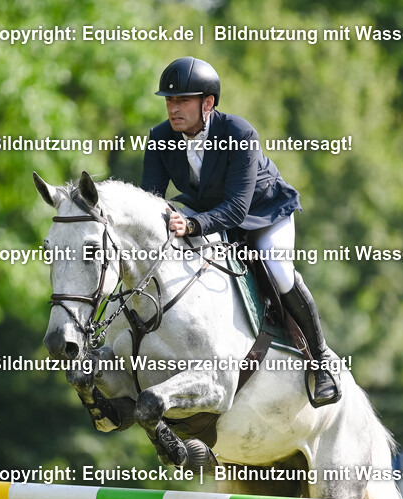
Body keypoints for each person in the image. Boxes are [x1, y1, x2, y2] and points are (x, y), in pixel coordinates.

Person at [141, 56, 342, 407]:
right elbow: (150, 200)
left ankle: (321, 360)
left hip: (262, 212)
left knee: (278, 270)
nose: (173, 108)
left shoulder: (238, 133)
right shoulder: (160, 138)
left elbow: (236, 208)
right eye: (170, 100)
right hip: (206, 210)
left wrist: (192, 225)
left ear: (208, 103)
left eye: (183, 100)